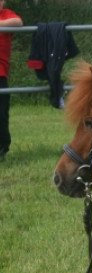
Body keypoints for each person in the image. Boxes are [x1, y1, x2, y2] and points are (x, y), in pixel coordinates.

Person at [0, 0, 22, 160]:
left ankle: (2, 147)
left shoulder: (7, 14)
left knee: (1, 114)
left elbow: (18, 22)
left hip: (0, 74)